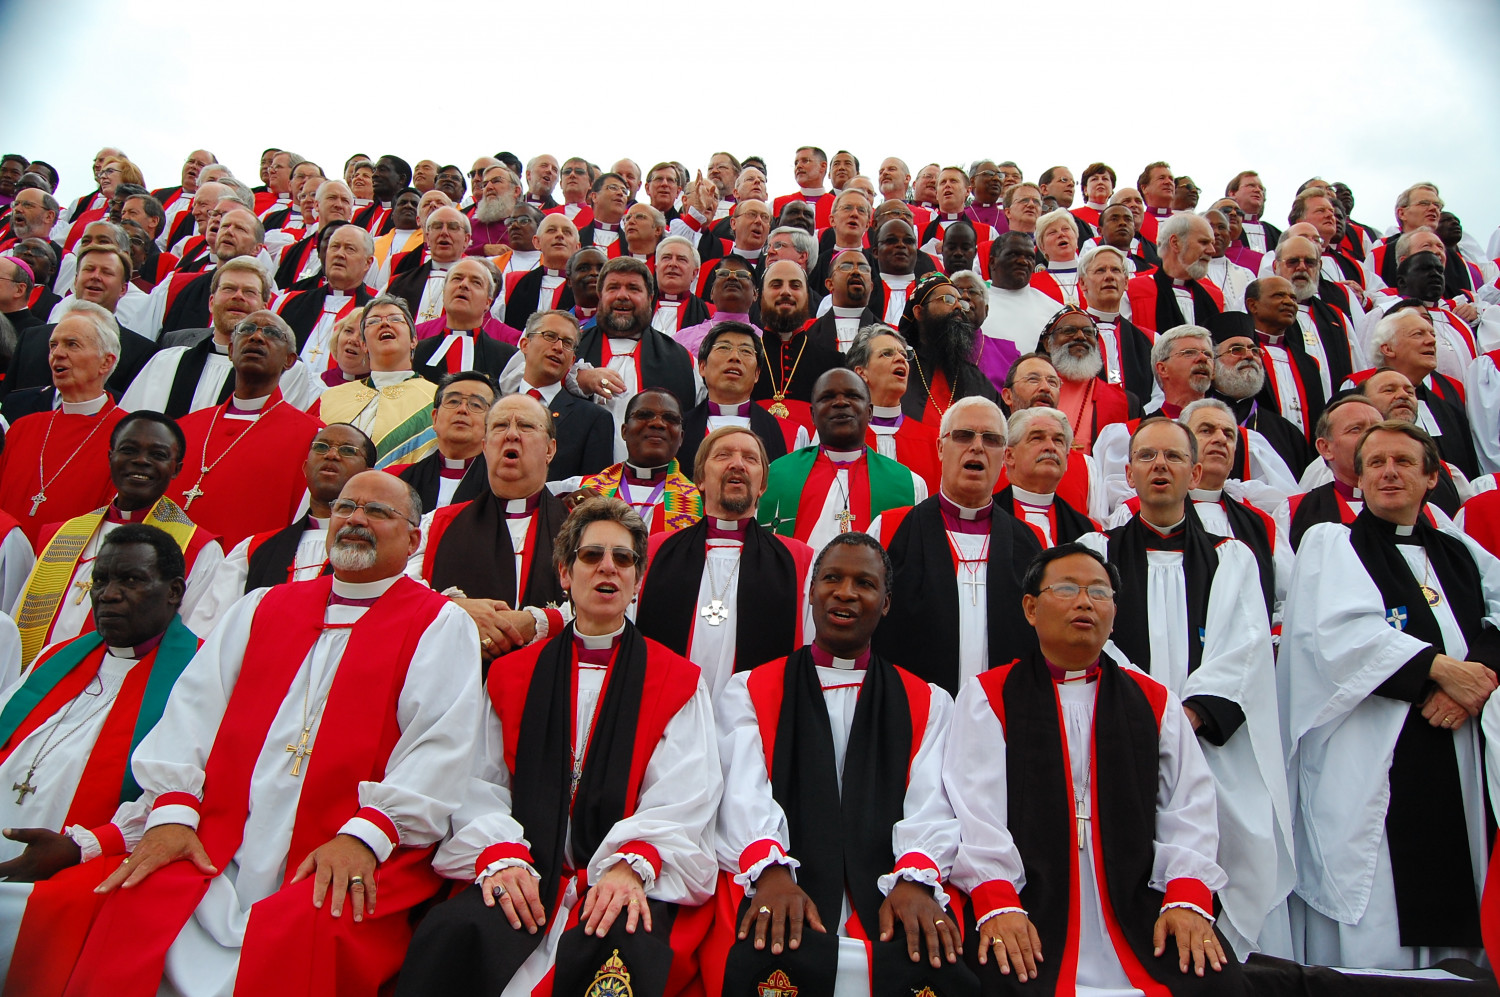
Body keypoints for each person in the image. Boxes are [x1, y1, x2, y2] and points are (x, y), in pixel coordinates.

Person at [44, 470, 481, 997]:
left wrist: (365, 835)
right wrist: (174, 814)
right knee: (137, 904)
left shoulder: (438, 623)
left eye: (378, 512)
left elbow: (440, 745)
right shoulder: (262, 607)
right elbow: (192, 715)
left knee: (309, 934)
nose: (356, 520)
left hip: (345, 846)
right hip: (221, 843)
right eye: (346, 508)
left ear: (414, 538)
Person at [398, 496, 720, 997]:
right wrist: (501, 853)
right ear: (565, 574)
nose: (608, 568)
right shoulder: (510, 675)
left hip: (618, 874)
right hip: (523, 865)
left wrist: (628, 863)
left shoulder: (676, 680)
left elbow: (684, 792)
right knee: (456, 937)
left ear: (637, 580)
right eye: (591, 556)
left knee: (624, 956)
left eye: (624, 558)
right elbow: (479, 781)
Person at [945, 542, 1249, 995]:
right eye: (1066, 589)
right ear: (1031, 608)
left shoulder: (1154, 701)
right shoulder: (990, 695)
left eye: (1099, 593)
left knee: (1212, 982)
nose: (1085, 602)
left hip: (1137, 904)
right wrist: (999, 901)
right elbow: (976, 810)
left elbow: (1189, 807)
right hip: (1032, 903)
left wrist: (1185, 893)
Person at [704, 531, 973, 997]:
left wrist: (914, 876)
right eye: (832, 578)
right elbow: (742, 791)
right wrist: (768, 873)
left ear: (885, 603)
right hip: (782, 879)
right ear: (811, 591)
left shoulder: (927, 700)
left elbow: (933, 800)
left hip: (888, 886)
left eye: (864, 584)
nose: (845, 592)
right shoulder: (751, 689)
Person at [1282, 421, 1500, 970]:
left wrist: (1479, 678)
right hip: (1376, 752)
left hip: (1461, 744)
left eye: (1403, 462)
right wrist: (1439, 669)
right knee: (1381, 898)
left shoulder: (1459, 552)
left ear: (1431, 477)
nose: (1387, 472)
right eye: (1375, 462)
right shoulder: (1334, 543)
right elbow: (1334, 634)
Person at [0, 525, 194, 990]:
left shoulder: (197, 677)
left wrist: (82, 846)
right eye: (100, 580)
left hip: (75, 875)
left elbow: (180, 796)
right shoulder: (57, 656)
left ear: (173, 592)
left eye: (129, 581)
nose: (108, 595)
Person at [11, 412, 222, 669]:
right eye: (129, 450)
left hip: (121, 686)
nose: (141, 461)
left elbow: (188, 643)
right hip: (38, 678)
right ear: (111, 457)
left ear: (176, 468)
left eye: (157, 455)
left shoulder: (198, 549)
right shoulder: (63, 535)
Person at [870, 396, 1043, 694]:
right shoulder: (889, 529)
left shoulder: (1030, 541)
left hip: (1003, 712)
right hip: (913, 707)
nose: (977, 446)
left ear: (1004, 455)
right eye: (963, 436)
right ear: (940, 448)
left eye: (991, 439)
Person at [635, 426, 812, 696]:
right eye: (723, 455)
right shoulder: (656, 551)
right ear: (700, 479)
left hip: (753, 727)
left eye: (750, 459)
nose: (738, 464)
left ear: (763, 484)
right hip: (667, 722)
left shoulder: (798, 560)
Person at [407, 393, 571, 660]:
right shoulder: (436, 524)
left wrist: (536, 623)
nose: (512, 435)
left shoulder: (581, 529)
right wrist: (454, 608)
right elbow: (399, 593)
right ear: (485, 447)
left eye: (526, 426)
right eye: (500, 426)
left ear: (550, 450)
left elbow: (607, 605)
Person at [166, 312, 324, 548]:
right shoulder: (186, 427)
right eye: (247, 330)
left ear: (289, 360)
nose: (257, 337)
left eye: (272, 333)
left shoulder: (313, 437)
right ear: (231, 351)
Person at [120, 257, 317, 416]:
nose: (238, 296)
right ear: (211, 302)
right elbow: (132, 424)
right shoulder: (167, 361)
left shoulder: (285, 371)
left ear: (264, 308)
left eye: (249, 292)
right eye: (229, 288)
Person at [760, 368, 927, 555]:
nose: (840, 402)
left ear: (870, 412)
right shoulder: (773, 476)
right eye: (827, 397)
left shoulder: (911, 484)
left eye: (853, 396)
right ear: (812, 415)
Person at [0, 305, 127, 546]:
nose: (57, 353)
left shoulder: (127, 436)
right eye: (53, 345)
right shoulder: (22, 429)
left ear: (105, 362)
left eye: (72, 344)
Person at [210, 424, 375, 601]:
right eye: (321, 447)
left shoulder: (380, 551)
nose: (331, 455)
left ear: (368, 475)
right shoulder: (254, 549)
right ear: (305, 468)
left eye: (348, 450)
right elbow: (212, 626)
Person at [1358, 305, 1478, 481]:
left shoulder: (1450, 411)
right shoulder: (1360, 404)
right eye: (1418, 334)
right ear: (1388, 349)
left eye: (1432, 334)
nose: (1431, 341)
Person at [314, 296, 437, 469]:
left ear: (413, 341)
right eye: (373, 321)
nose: (385, 324)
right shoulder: (331, 398)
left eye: (395, 319)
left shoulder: (436, 399)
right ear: (364, 345)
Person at [508, 311, 614, 482]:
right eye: (550, 336)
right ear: (525, 344)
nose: (558, 347)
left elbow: (593, 496)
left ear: (572, 360)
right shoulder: (493, 408)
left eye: (567, 343)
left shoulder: (592, 420)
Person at [581, 389, 703, 534]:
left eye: (670, 419)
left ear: (681, 437)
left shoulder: (703, 501)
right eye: (644, 415)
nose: (658, 423)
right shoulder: (579, 490)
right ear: (624, 431)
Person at [848, 324, 941, 495]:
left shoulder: (934, 442)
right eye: (887, 353)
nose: (900, 359)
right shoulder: (841, 435)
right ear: (862, 373)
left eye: (905, 355)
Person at [681, 322, 792, 465]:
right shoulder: (680, 429)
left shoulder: (783, 431)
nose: (735, 357)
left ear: (757, 374)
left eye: (746, 351)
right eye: (724, 348)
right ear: (702, 367)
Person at [1034, 307, 1137, 453]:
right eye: (1070, 330)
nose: (1081, 336)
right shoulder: (1029, 391)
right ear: (1047, 343)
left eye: (1088, 332)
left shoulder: (1126, 402)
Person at [996, 406, 1102, 545]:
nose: (1050, 446)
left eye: (1058, 440)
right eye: (1037, 438)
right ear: (1009, 456)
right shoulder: (982, 520)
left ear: (1066, 460)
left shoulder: (1090, 532)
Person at [413, 258, 521, 382]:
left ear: (488, 302)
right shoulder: (415, 353)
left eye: (476, 282)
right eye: (457, 278)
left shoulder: (509, 358)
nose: (463, 285)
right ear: (444, 293)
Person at [1126, 213, 1226, 334]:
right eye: (1204, 242)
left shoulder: (1215, 296)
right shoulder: (1133, 291)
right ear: (1175, 243)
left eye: (1212, 243)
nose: (1212, 250)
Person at [387, 206, 471, 324]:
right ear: (427, 238)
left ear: (466, 239)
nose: (444, 233)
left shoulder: (477, 285)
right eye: (437, 226)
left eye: (453, 227)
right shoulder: (398, 282)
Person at [982, 234, 1059, 355]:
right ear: (992, 262)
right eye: (1013, 254)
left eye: (1030, 257)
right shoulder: (974, 304)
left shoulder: (1055, 311)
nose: (1023, 261)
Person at [502, 214, 578, 330]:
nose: (559, 235)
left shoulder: (584, 289)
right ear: (537, 242)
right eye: (551, 230)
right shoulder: (512, 281)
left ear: (577, 247)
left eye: (567, 232)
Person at [807, 249, 878, 354]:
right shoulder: (807, 331)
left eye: (864, 268)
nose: (856, 271)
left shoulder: (888, 333)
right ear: (830, 284)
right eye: (846, 267)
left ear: (871, 286)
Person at [1227, 170, 1279, 253]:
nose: (1258, 190)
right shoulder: (1224, 229)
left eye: (1261, 188)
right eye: (1251, 185)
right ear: (1232, 194)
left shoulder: (1275, 233)